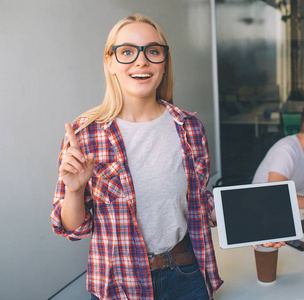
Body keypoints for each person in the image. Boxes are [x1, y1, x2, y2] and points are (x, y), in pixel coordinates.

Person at [50, 14, 222, 300]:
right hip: (120, 283)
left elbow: (198, 202)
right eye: (127, 52)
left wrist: (256, 227)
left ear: (163, 63)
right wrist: (75, 190)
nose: (141, 61)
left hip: (188, 275)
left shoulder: (190, 128)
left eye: (152, 51)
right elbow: (73, 228)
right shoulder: (85, 134)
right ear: (110, 62)